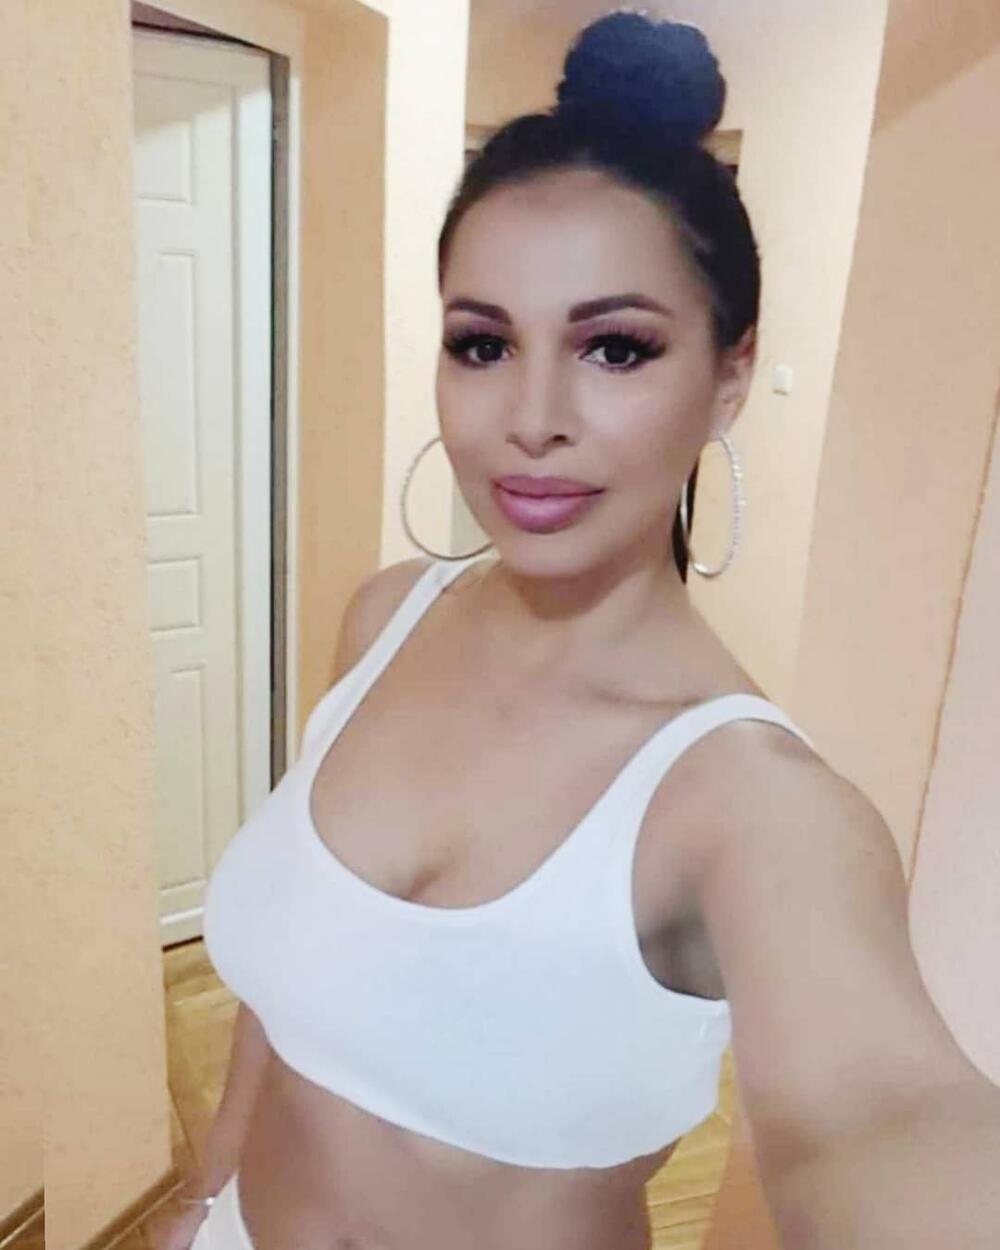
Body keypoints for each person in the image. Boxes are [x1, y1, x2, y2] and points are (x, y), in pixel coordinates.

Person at [148, 10, 1000, 1250]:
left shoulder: (754, 806)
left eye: (613, 346)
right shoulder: (385, 616)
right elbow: (290, 989)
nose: (531, 415)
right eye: (482, 342)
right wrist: (207, 1191)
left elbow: (877, 1114)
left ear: (728, 374)